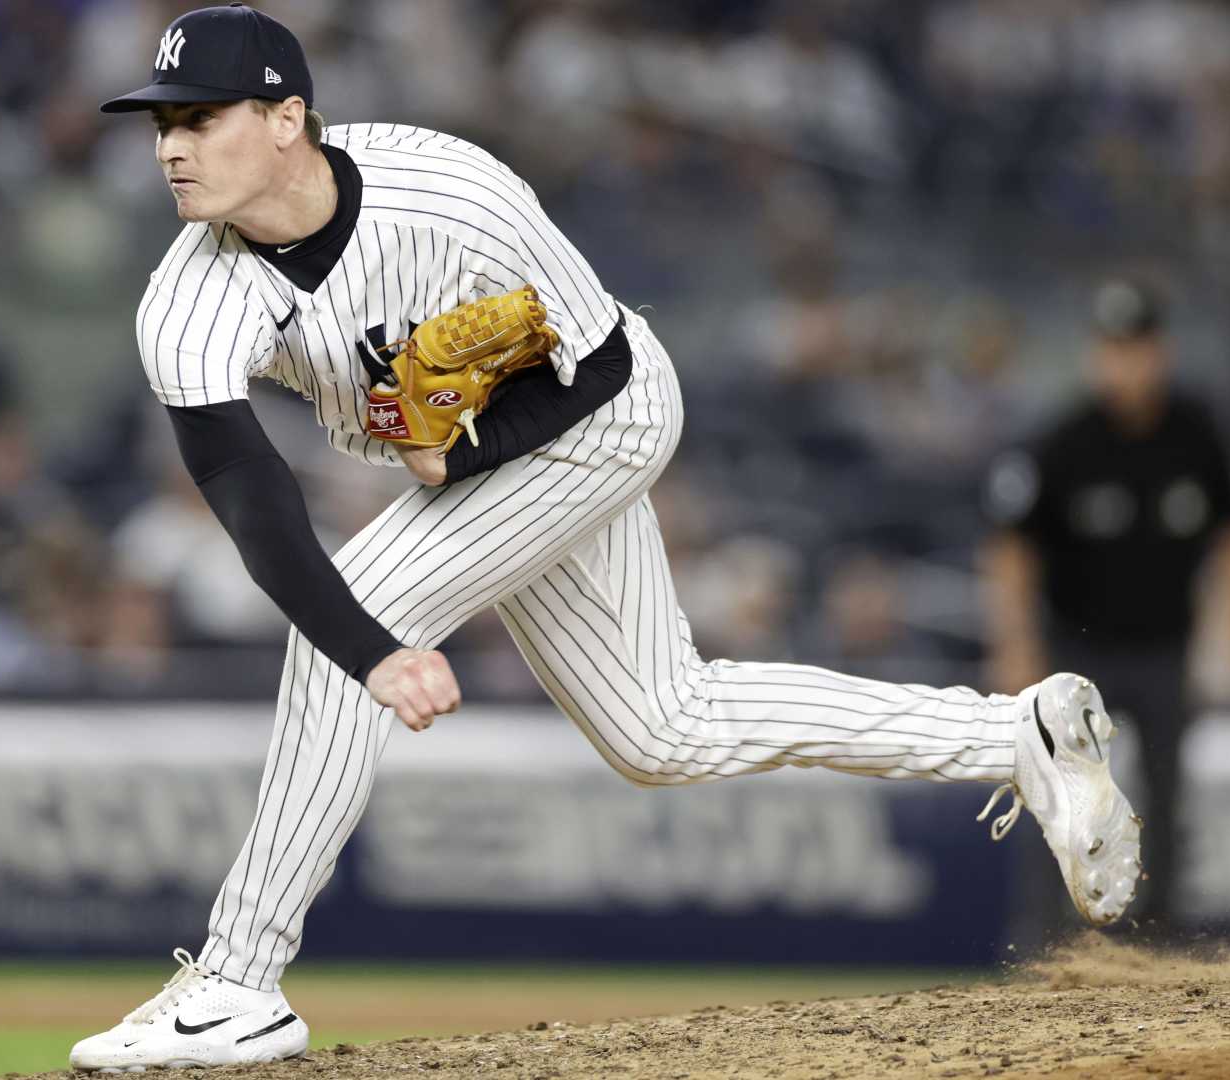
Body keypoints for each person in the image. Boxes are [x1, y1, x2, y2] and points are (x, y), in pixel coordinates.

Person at [71, 5, 1142, 1071]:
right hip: (491, 453)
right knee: (661, 731)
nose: (170, 144)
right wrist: (375, 642)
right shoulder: (187, 298)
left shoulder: (452, 191)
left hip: (604, 416)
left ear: (288, 118)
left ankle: (240, 981)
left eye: (201, 117)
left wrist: (437, 509)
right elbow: (244, 487)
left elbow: (608, 369)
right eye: (160, 121)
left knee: (357, 616)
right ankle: (1019, 737)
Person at [983, 278, 1230, 933]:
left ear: (1161, 352)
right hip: (1076, 650)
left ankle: (1156, 947)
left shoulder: (1197, 434)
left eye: (1136, 347)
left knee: (1165, 797)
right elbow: (1012, 549)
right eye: (1112, 348)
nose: (1124, 363)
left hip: (1163, 648)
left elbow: (1227, 535)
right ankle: (1048, 943)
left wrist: (1223, 632)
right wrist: (1015, 646)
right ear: (1095, 354)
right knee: (1060, 794)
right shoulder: (1064, 441)